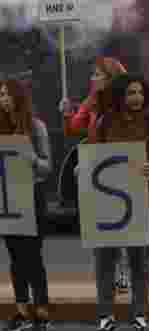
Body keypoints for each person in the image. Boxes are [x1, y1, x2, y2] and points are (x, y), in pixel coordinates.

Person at [86, 74, 149, 331]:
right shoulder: (105, 122)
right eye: (130, 93)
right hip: (109, 202)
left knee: (139, 260)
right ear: (119, 96)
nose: (136, 98)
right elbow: (94, 156)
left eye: (139, 93)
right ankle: (105, 315)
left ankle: (139, 315)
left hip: (143, 201)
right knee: (105, 259)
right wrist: (84, 170)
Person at [59, 57, 132, 293]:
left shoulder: (126, 103)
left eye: (97, 75)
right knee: (97, 225)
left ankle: (122, 273)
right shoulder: (91, 102)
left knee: (119, 225)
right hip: (94, 170)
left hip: (117, 169)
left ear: (110, 78)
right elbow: (74, 128)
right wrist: (67, 113)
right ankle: (105, 275)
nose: (93, 78)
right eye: (93, 74)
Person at [1, 78, 52, 331]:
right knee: (15, 257)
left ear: (18, 97)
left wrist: (31, 158)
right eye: (1, 95)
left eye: (7, 94)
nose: (3, 99)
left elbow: (47, 167)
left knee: (32, 256)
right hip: (6, 199)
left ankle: (41, 309)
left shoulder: (36, 127)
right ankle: (21, 309)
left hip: (31, 196)